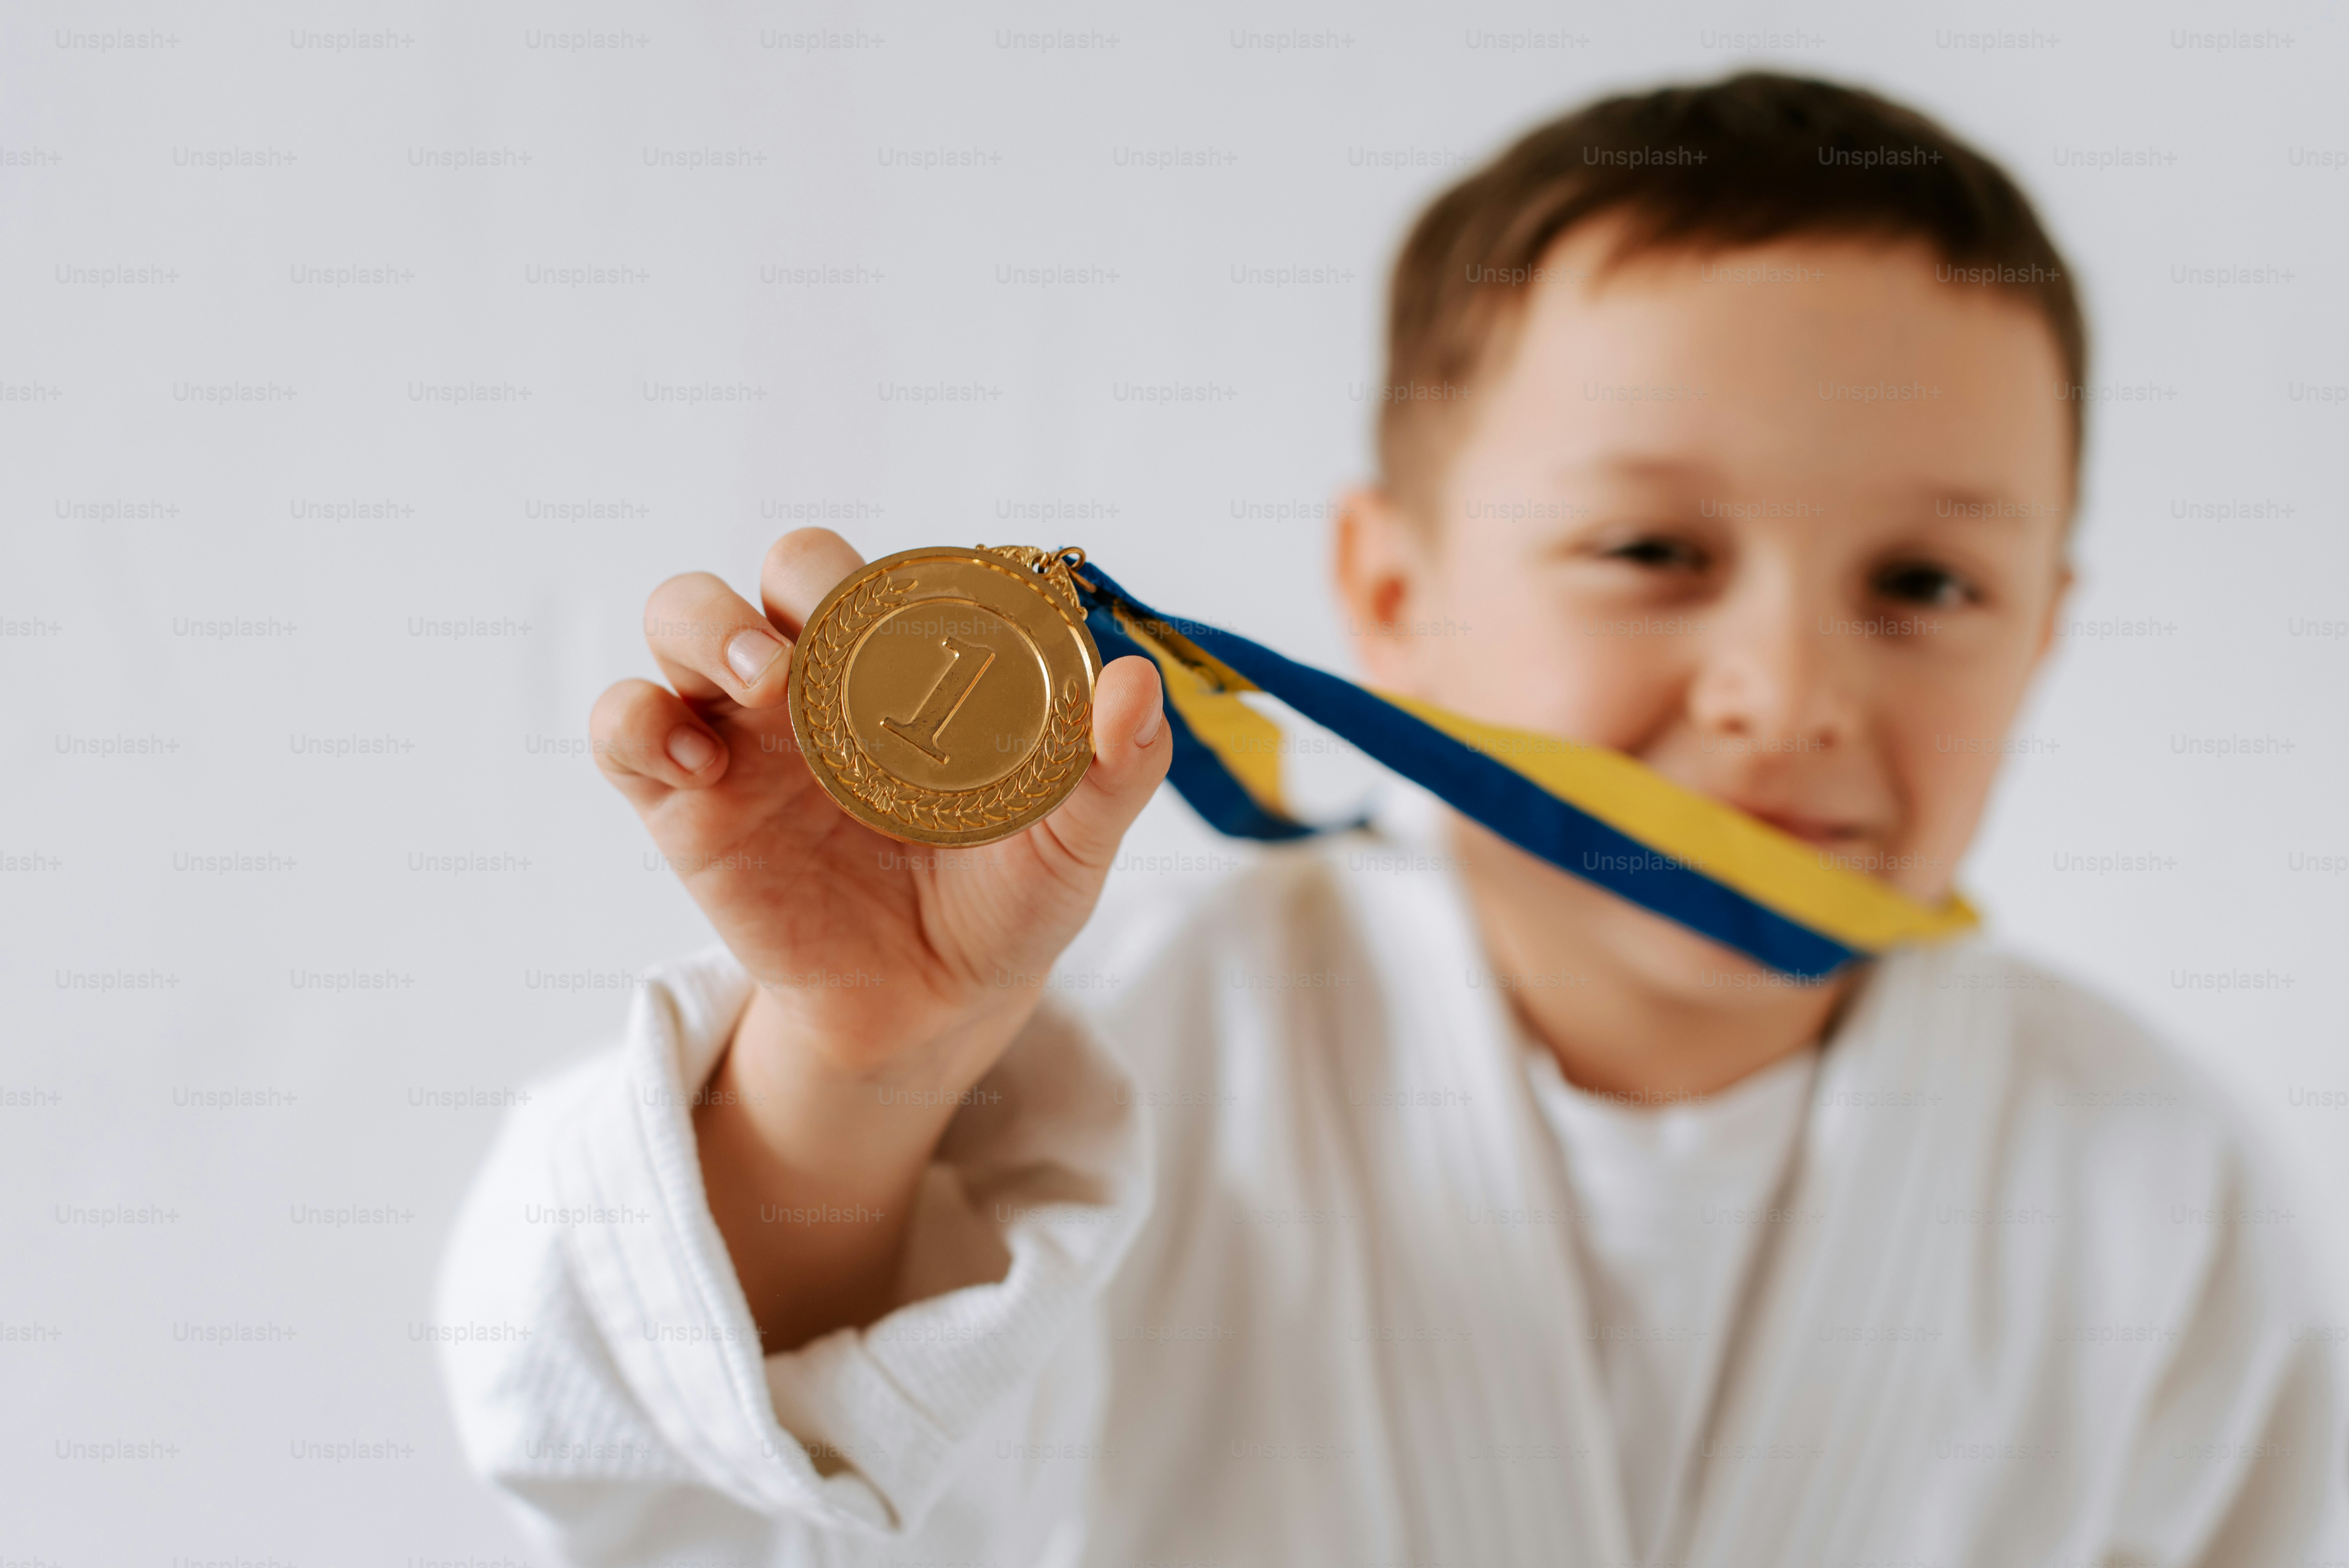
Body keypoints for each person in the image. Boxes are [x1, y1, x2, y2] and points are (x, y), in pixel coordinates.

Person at [436, 72, 2346, 1566]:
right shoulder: (1122, 1073)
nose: (1791, 689)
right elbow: (656, 1491)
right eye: (1654, 548)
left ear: (2046, 634)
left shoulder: (2152, 1180)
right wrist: (858, 1066)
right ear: (1391, 587)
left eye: (1926, 582)